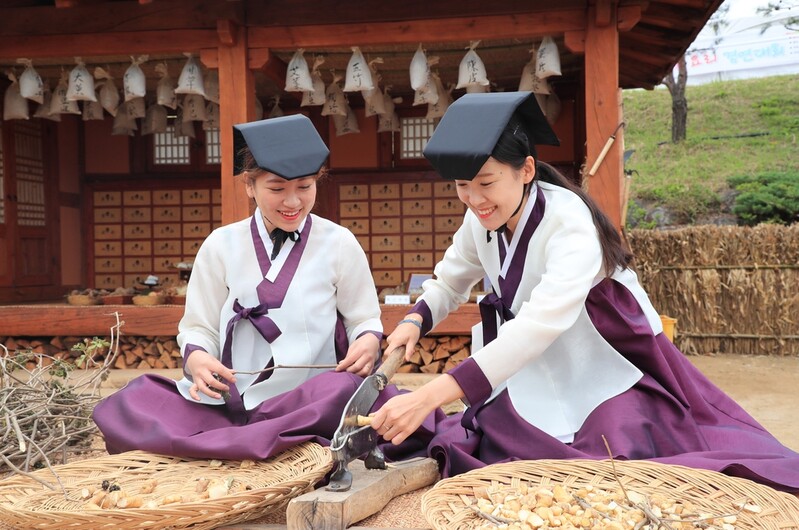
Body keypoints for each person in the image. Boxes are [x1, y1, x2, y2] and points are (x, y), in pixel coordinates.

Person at [368, 91, 799, 493]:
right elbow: (449, 279)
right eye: (462, 186)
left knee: (616, 454)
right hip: (539, 353)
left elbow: (539, 324)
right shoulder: (479, 217)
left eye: (485, 182)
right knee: (510, 445)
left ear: (526, 170)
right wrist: (414, 321)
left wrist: (429, 395)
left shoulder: (569, 221)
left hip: (609, 350)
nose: (474, 199)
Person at [92, 114, 407, 461]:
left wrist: (365, 339)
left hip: (308, 398)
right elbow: (199, 326)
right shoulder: (220, 244)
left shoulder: (339, 242)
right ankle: (264, 439)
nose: (292, 202)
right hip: (226, 400)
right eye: (276, 189)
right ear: (249, 185)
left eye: (304, 187)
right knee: (136, 398)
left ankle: (240, 441)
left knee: (346, 389)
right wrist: (197, 357)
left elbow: (363, 318)